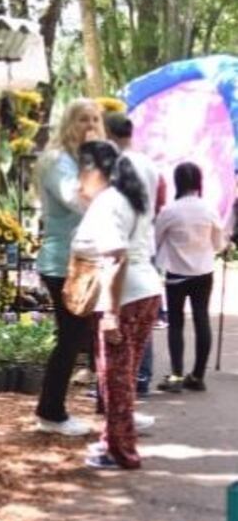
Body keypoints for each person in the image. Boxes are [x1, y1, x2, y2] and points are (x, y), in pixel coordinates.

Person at [71, 140, 162, 470]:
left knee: (116, 380)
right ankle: (112, 443)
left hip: (124, 298)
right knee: (123, 376)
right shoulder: (128, 197)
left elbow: (115, 257)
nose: (79, 178)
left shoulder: (108, 203)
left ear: (95, 169)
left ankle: (121, 452)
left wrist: (109, 312)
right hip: (146, 291)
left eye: (82, 169)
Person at [34, 98, 104, 436]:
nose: (89, 126)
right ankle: (51, 413)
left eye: (94, 119)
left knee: (77, 336)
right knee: (72, 337)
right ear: (68, 124)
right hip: (62, 262)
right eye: (82, 120)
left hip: (81, 261)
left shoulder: (79, 161)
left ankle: (53, 410)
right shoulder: (58, 162)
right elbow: (79, 200)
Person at [104, 112, 165, 398]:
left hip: (123, 245)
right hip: (143, 243)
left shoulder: (118, 164)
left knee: (119, 322)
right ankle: (139, 377)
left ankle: (120, 387)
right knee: (140, 323)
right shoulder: (150, 165)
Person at [153, 163, 227, 393]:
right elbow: (219, 244)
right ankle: (197, 376)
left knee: (176, 324)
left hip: (176, 273)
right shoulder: (209, 209)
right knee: (201, 320)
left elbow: (155, 241)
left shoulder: (170, 211)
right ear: (198, 182)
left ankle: (175, 377)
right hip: (203, 272)